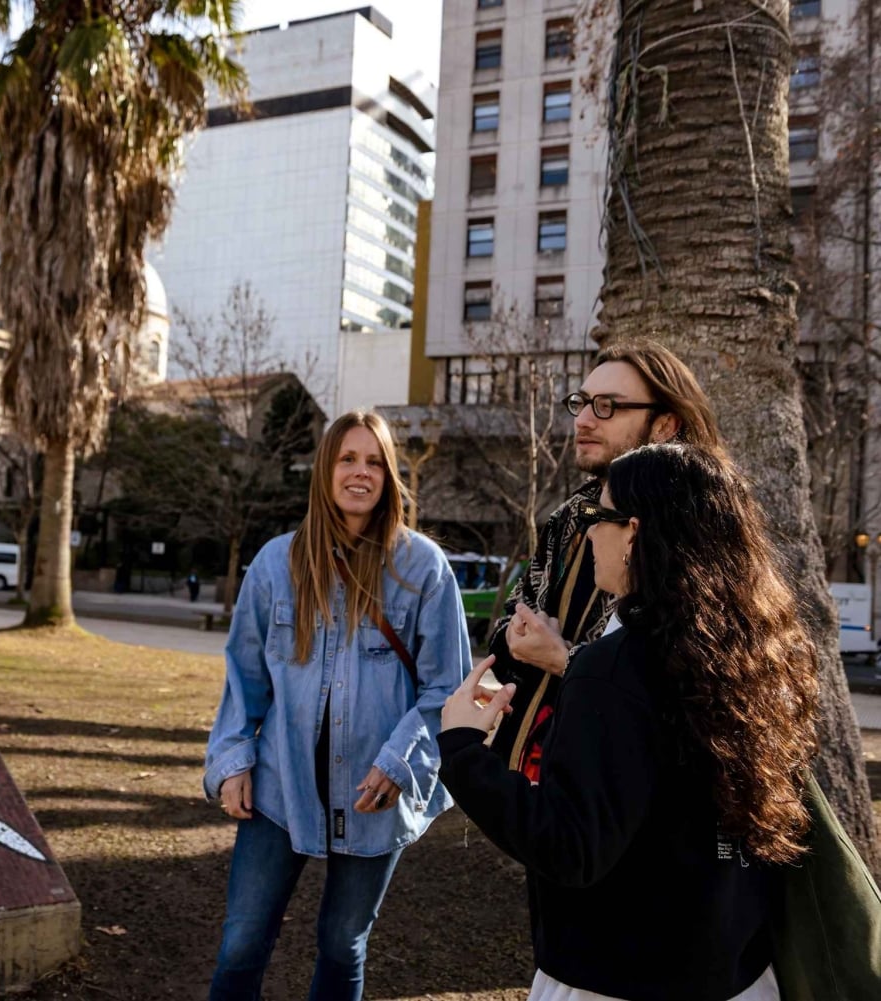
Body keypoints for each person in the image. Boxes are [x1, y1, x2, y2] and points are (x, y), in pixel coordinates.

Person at [439, 444, 817, 1001]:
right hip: (741, 971)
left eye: (598, 516)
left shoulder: (617, 666)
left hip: (616, 978)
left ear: (635, 531)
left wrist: (464, 747)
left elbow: (571, 848)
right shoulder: (756, 655)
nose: (588, 532)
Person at [203, 410, 472, 1001]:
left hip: (374, 795)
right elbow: (245, 677)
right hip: (278, 786)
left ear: (389, 474)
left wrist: (402, 761)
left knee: (342, 941)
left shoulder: (423, 567)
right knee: (243, 940)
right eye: (348, 459)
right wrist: (232, 761)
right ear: (325, 470)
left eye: (375, 461)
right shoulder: (276, 563)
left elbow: (447, 689)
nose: (361, 472)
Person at [487, 340, 722, 780]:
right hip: (540, 786)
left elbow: (687, 686)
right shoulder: (570, 516)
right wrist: (520, 640)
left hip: (629, 800)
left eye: (607, 406)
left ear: (665, 425)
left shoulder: (700, 531)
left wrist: (563, 659)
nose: (583, 420)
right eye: (581, 403)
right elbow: (506, 629)